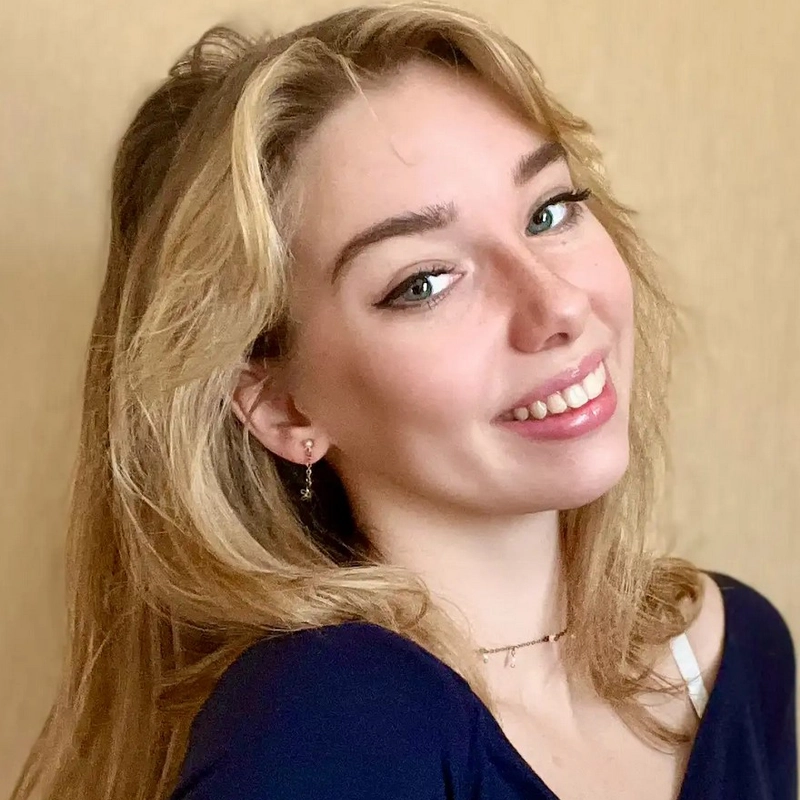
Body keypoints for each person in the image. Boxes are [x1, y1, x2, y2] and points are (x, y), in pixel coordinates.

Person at [12, 3, 796, 800]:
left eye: (549, 212)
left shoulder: (732, 654)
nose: (556, 305)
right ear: (281, 406)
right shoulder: (330, 724)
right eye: (422, 283)